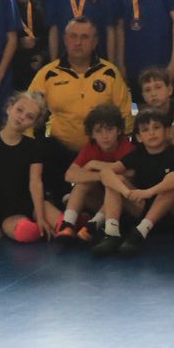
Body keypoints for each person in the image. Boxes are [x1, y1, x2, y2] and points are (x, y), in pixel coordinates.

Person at [30, 18, 132, 195]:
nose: (78, 42)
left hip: (103, 153)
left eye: (85, 37)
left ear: (95, 41)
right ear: (65, 39)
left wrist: (119, 151)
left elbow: (125, 115)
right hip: (61, 152)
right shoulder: (48, 74)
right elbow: (29, 111)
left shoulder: (109, 72)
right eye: (73, 36)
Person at [0, 92, 61, 244]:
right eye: (19, 110)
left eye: (29, 117)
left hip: (35, 204)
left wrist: (40, 216)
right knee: (27, 232)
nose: (22, 117)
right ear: (9, 108)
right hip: (7, 211)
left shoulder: (34, 147)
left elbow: (35, 183)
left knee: (65, 225)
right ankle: (34, 227)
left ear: (33, 123)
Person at [97, 106, 174, 253]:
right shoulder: (137, 154)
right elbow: (106, 173)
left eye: (156, 127)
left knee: (172, 179)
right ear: (139, 137)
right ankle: (112, 232)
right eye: (145, 130)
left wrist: (149, 192)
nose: (151, 133)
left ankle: (140, 232)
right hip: (142, 208)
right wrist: (126, 192)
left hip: (172, 213)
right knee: (115, 180)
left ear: (167, 132)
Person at [61, 102, 134, 248]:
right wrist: (101, 176)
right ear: (92, 134)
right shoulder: (91, 147)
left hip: (126, 206)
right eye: (99, 131)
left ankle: (93, 225)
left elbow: (131, 173)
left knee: (115, 181)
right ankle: (67, 225)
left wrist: (95, 165)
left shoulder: (126, 147)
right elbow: (69, 175)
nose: (105, 136)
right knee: (83, 182)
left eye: (109, 129)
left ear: (119, 130)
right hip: (102, 201)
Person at [5, 0, 45, 91]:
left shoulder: (38, 7)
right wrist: (18, 44)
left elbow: (46, 35)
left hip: (35, 67)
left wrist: (42, 55)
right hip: (12, 69)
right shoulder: (4, 7)